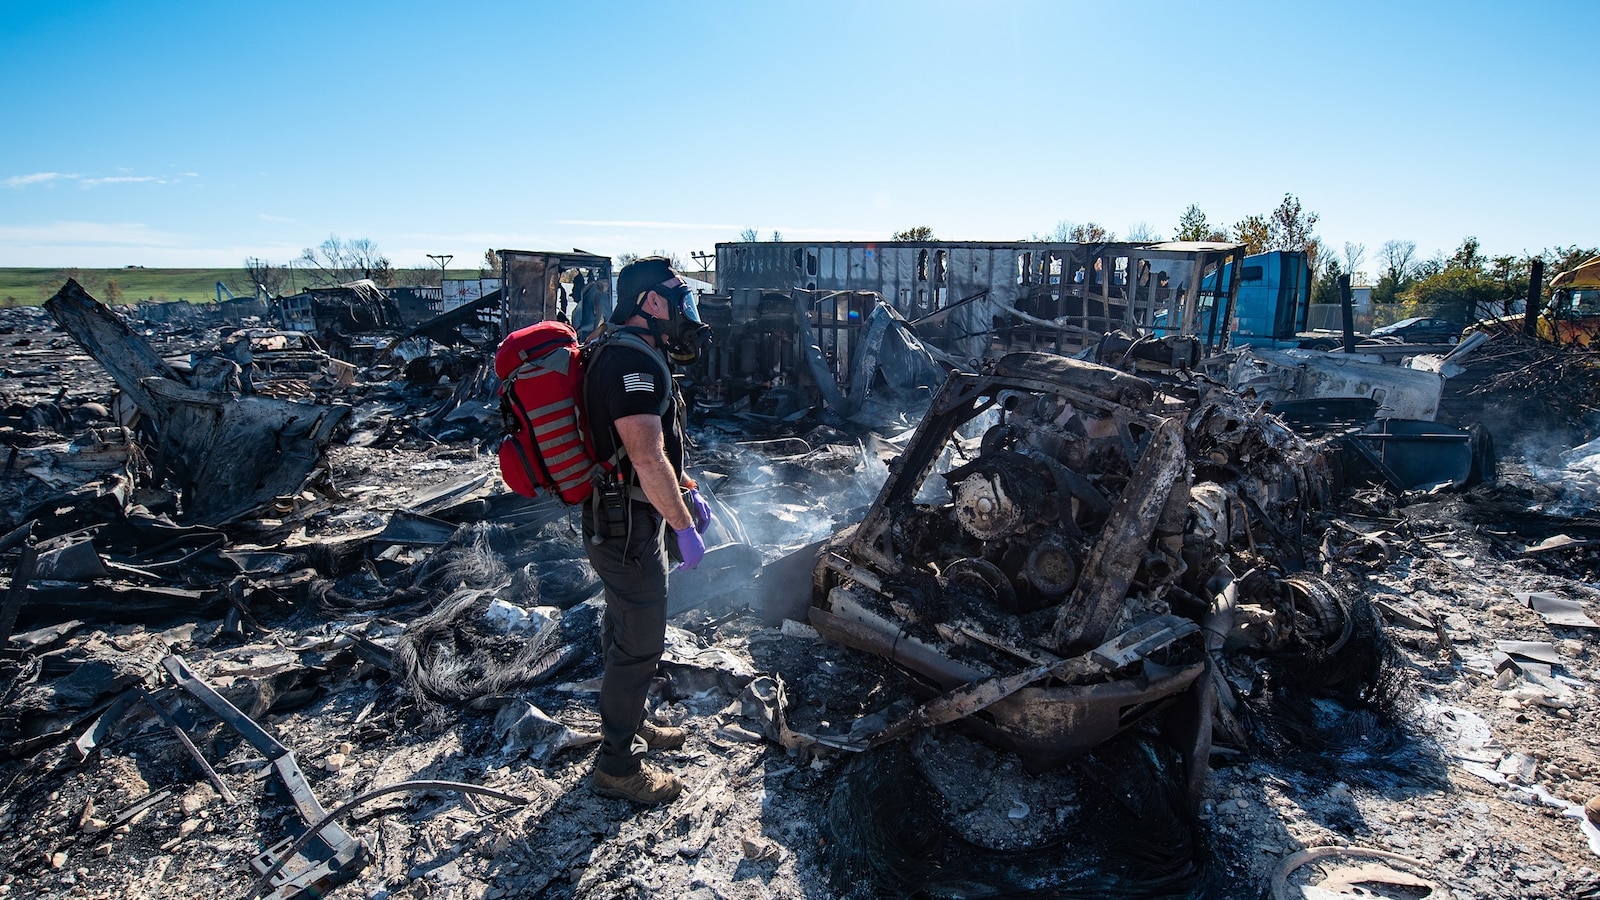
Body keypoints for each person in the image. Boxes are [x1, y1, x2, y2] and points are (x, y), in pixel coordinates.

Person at [581, 256, 713, 804]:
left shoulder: (631, 350)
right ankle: (617, 766)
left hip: (627, 519)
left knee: (624, 628)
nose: (688, 311)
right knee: (639, 643)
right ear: (651, 303)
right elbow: (644, 455)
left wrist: (684, 488)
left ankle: (629, 725)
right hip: (625, 527)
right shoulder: (629, 361)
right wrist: (683, 526)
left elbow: (653, 449)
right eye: (680, 299)